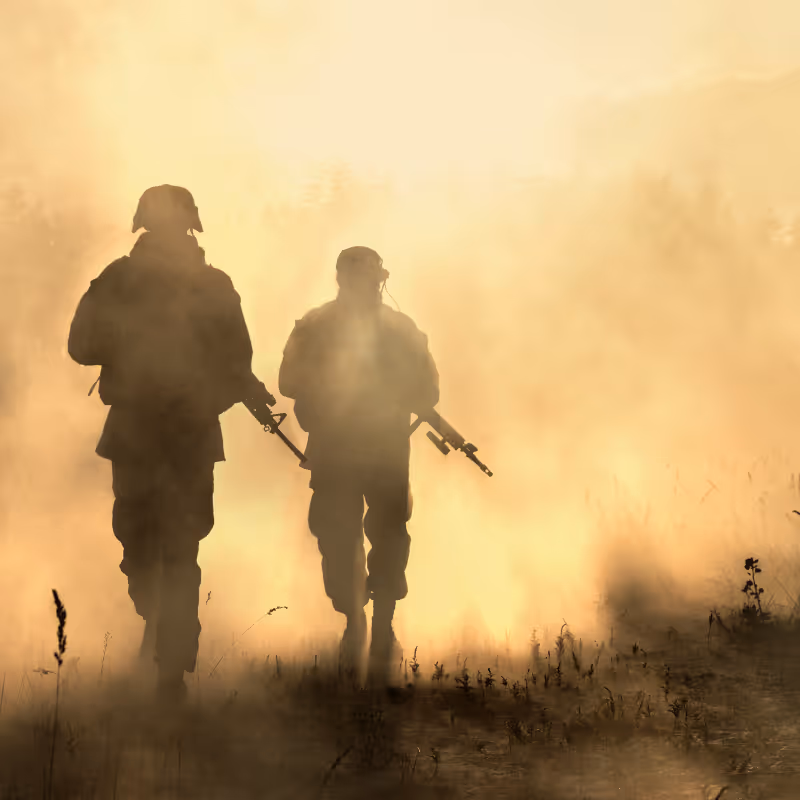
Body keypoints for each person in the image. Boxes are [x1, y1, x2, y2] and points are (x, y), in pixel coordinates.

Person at [68, 185, 269, 700]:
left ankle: (171, 671)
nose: (170, 237)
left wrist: (210, 391)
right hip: (142, 431)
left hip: (185, 434)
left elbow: (237, 362)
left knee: (179, 548)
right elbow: (80, 345)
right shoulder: (119, 280)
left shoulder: (213, 286)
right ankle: (156, 624)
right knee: (138, 546)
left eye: (174, 227)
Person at [278, 246, 439, 682]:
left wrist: (394, 392)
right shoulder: (315, 326)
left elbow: (429, 391)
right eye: (355, 280)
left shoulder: (400, 331)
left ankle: (381, 623)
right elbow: (288, 380)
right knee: (337, 536)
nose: (362, 288)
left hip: (383, 447)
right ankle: (355, 620)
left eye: (367, 280)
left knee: (386, 534)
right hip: (335, 447)